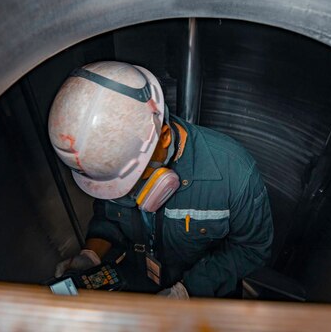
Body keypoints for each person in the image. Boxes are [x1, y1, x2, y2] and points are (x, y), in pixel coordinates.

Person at [49, 61, 273, 299]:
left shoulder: (233, 173)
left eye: (134, 179)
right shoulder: (113, 161)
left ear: (164, 137)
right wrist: (91, 254)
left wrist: (189, 291)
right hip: (138, 288)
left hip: (206, 301)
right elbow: (108, 217)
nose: (127, 193)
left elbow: (252, 249)